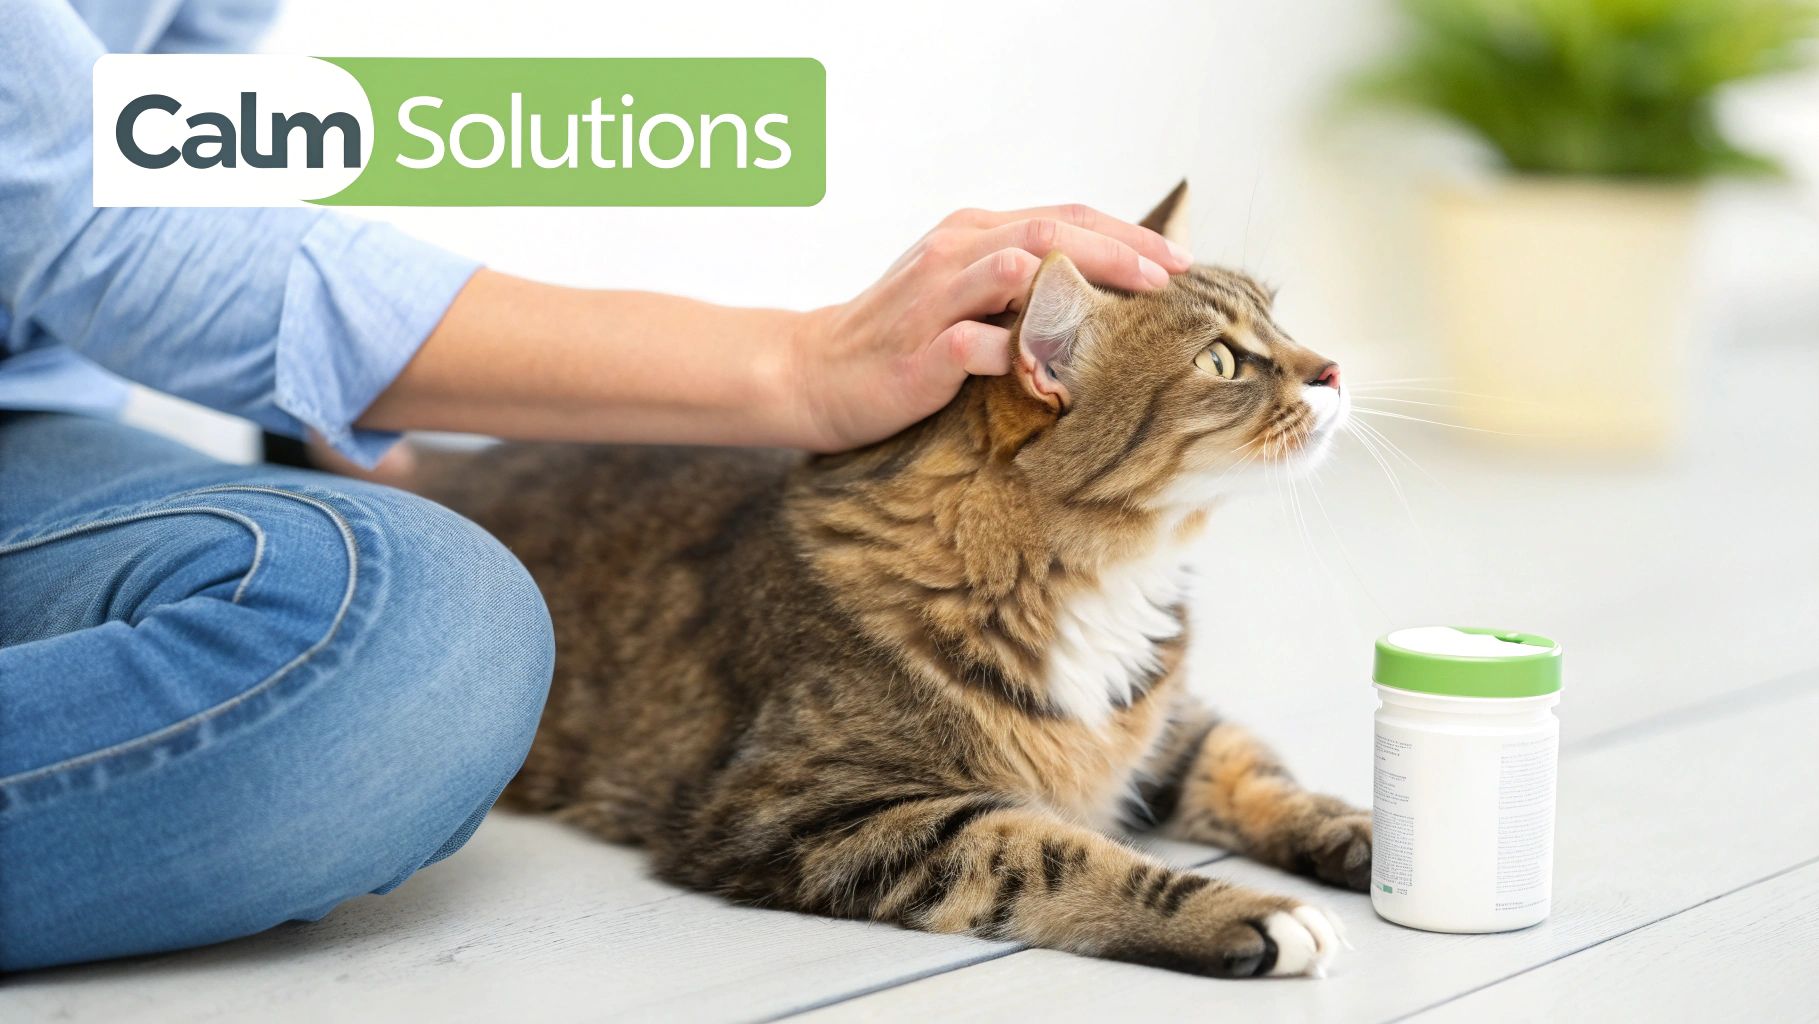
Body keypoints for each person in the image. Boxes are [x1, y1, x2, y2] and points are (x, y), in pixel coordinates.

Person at [0, 0, 1194, 972]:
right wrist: (797, 365)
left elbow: (166, 160)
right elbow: (84, 217)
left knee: (418, 625)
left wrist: (352, 431)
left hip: (34, 422)